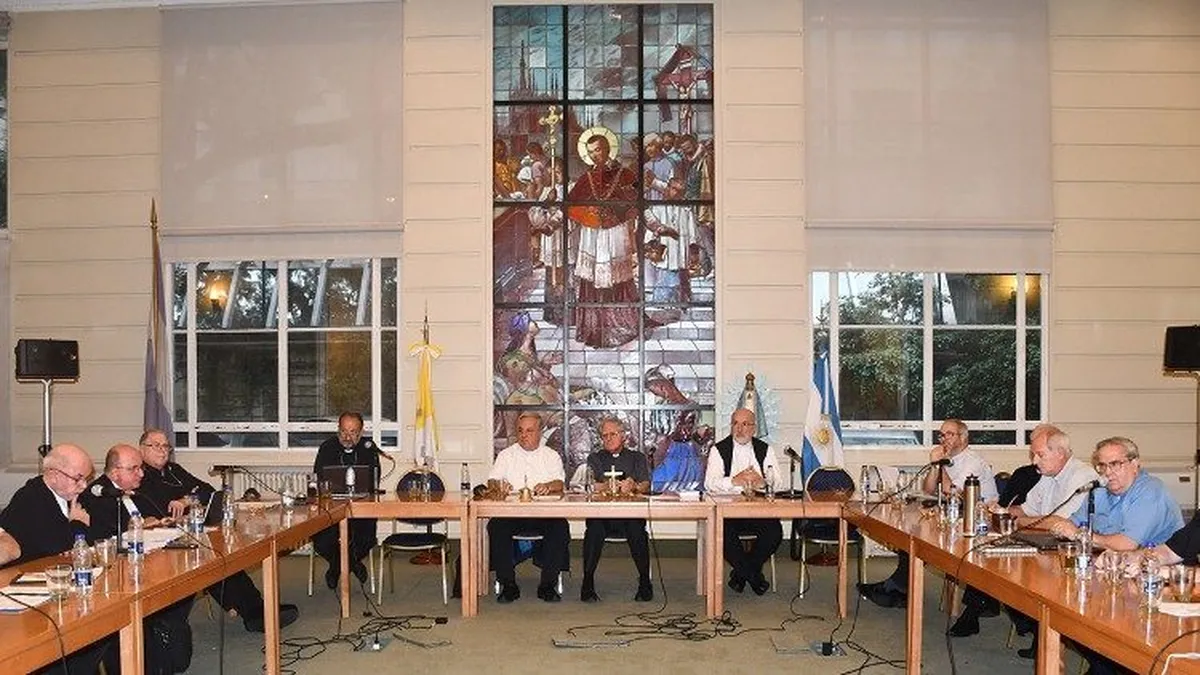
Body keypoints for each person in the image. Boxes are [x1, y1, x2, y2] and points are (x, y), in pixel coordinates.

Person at [136, 429, 299, 632]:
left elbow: (207, 491)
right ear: (142, 449)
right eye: (156, 446)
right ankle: (253, 611)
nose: (162, 450)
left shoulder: (173, 470)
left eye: (166, 446)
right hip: (164, 544)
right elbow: (151, 514)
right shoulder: (139, 477)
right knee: (213, 558)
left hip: (192, 533)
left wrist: (185, 500)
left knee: (224, 556)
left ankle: (255, 610)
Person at [1045, 436, 1183, 675]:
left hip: (1156, 581)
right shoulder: (1099, 492)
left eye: (1115, 464)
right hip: (1112, 572)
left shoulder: (1151, 491)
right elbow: (1071, 523)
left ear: (1135, 464)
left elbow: (1126, 544)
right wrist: (1065, 528)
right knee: (1069, 606)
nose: (1108, 472)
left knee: (1090, 616)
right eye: (1102, 465)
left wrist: (1081, 535)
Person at [948, 427, 1097, 646]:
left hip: (1069, 552)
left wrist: (1014, 520)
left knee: (1011, 569)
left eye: (1040, 455)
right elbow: (1025, 509)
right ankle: (1025, 623)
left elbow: (1058, 523)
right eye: (1033, 454)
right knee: (992, 559)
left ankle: (1037, 631)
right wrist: (999, 511)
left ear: (1060, 453)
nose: (1035, 461)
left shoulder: (1082, 477)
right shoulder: (1048, 475)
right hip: (1043, 542)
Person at [0, 444, 117, 674]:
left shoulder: (76, 495)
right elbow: (56, 545)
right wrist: (77, 525)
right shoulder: (31, 498)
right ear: (53, 475)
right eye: (79, 478)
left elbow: (102, 533)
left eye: (87, 479)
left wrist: (76, 531)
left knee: (105, 626)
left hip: (65, 584)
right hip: (30, 595)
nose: (84, 486)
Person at [860, 419, 997, 608]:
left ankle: (897, 589)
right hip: (954, 514)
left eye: (950, 434)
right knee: (912, 531)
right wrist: (935, 466)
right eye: (942, 435)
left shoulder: (973, 462)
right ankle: (899, 588)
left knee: (921, 536)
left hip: (979, 520)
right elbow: (928, 490)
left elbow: (951, 492)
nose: (944, 439)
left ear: (964, 438)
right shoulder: (948, 459)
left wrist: (939, 465)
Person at [564, 130, 643, 348]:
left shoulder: (625, 174)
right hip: (592, 233)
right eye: (590, 152)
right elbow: (570, 204)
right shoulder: (586, 177)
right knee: (592, 277)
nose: (594, 155)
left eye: (597, 150)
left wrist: (618, 213)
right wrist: (587, 213)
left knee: (616, 275)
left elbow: (636, 201)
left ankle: (619, 325)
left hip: (615, 230)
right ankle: (592, 328)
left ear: (607, 149)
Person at [487, 412, 569, 603]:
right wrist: (498, 485)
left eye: (530, 431)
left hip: (543, 514)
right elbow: (491, 480)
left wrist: (548, 486)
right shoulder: (506, 455)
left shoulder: (551, 455)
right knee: (495, 526)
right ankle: (508, 585)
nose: (524, 435)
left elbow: (559, 483)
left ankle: (547, 585)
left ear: (540, 432)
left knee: (560, 527)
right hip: (511, 514)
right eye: (521, 431)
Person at [704, 408, 782, 596]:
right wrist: (734, 481)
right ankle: (754, 577)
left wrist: (762, 482)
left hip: (758, 512)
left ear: (754, 428)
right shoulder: (718, 450)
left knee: (774, 532)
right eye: (735, 424)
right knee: (722, 533)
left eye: (745, 424)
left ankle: (741, 575)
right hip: (728, 513)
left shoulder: (765, 450)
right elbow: (709, 483)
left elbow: (778, 483)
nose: (739, 429)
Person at [580, 418, 652, 603]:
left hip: (630, 515)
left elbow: (645, 484)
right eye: (604, 435)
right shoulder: (595, 458)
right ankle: (587, 582)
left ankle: (645, 581)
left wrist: (634, 486)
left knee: (637, 530)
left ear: (623, 436)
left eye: (613, 434)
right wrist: (607, 485)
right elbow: (592, 484)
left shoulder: (637, 457)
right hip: (602, 515)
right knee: (593, 529)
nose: (608, 438)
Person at [311, 411, 381, 589]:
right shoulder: (327, 447)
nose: (347, 437)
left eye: (353, 432)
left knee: (366, 538)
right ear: (338, 430)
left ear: (361, 432)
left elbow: (374, 481)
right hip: (331, 508)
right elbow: (319, 477)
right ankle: (351, 564)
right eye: (343, 431)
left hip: (360, 508)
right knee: (321, 540)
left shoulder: (368, 448)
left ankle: (337, 568)